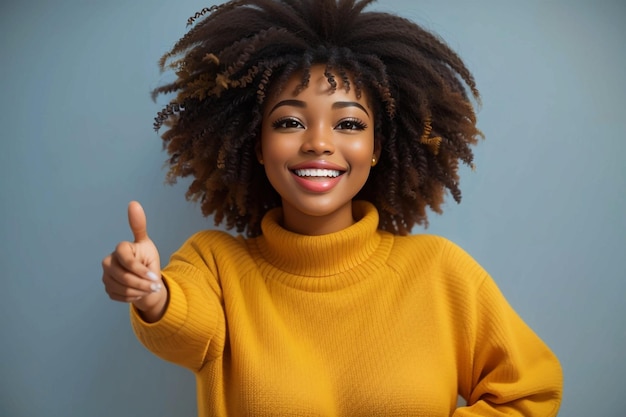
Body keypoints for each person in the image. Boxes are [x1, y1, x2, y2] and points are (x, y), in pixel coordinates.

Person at [101, 0, 563, 415]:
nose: (318, 143)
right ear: (257, 144)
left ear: (377, 146)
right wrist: (152, 293)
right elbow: (183, 324)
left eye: (347, 122)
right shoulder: (216, 268)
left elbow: (530, 393)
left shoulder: (442, 274)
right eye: (289, 121)